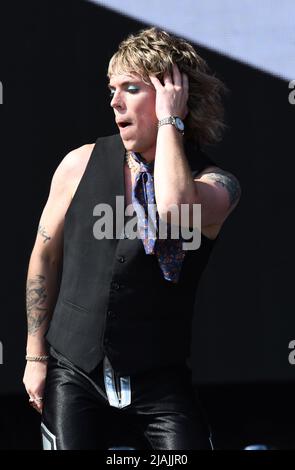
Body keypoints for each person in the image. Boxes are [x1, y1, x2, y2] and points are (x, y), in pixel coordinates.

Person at [23, 27, 241, 450]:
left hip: (159, 376)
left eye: (131, 88)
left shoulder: (215, 182)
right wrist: (35, 356)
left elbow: (176, 210)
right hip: (74, 370)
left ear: (174, 94)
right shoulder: (79, 164)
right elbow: (43, 259)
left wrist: (169, 122)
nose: (114, 102)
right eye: (112, 89)